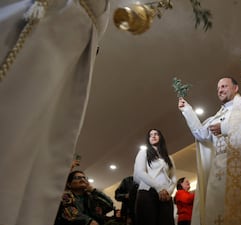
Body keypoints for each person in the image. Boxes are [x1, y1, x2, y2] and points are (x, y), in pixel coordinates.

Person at [0, 1, 110, 224]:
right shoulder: (67, 196)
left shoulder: (88, 196)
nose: (82, 179)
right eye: (78, 177)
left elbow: (106, 206)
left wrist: (91, 192)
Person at [178, 77, 241, 225]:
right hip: (217, 173)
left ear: (235, 88)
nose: (220, 90)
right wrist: (187, 110)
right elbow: (201, 134)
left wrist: (224, 128)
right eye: (218, 89)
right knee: (215, 214)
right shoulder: (217, 115)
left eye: (224, 86)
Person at [133, 129, 177, 225]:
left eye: (156, 134)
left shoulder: (169, 158)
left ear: (160, 137)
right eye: (150, 135)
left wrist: (169, 192)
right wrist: (159, 188)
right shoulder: (143, 153)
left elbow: (173, 177)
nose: (153, 136)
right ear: (148, 139)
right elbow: (140, 172)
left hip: (165, 196)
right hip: (147, 193)